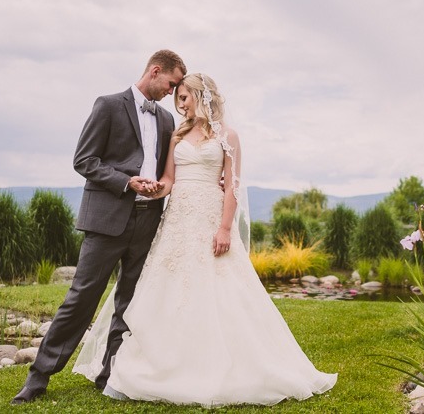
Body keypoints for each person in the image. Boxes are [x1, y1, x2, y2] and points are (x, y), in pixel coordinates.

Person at [73, 73, 337, 406]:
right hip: (178, 218)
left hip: (211, 217)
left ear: (202, 95)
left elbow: (232, 187)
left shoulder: (229, 136)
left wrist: (225, 228)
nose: (180, 104)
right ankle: (158, 364)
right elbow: (169, 179)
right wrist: (156, 190)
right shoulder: (176, 135)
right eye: (177, 98)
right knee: (168, 287)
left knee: (220, 287)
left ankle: (232, 364)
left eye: (184, 97)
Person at [11, 50, 186, 405]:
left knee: (130, 302)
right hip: (107, 219)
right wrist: (127, 182)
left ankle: (111, 372)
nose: (172, 92)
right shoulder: (108, 105)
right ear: (155, 71)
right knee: (82, 297)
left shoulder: (167, 119)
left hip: (149, 219)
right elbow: (84, 160)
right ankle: (38, 376)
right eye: (170, 84)